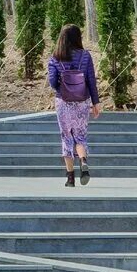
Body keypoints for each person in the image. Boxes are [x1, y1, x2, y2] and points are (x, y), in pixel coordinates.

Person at [47, 24, 100, 187]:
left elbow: (52, 81)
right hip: (82, 102)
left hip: (63, 102)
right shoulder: (85, 56)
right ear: (78, 37)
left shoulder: (55, 57)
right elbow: (91, 80)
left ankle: (70, 178)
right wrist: (95, 102)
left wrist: (63, 89)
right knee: (80, 136)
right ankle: (83, 161)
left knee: (66, 137)